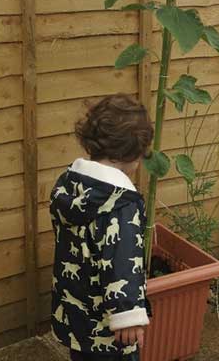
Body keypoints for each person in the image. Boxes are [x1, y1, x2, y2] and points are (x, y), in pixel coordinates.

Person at [50, 94, 153, 358]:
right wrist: (128, 313)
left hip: (78, 318)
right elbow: (122, 259)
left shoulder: (70, 186)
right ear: (133, 152)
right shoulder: (120, 205)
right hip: (110, 330)